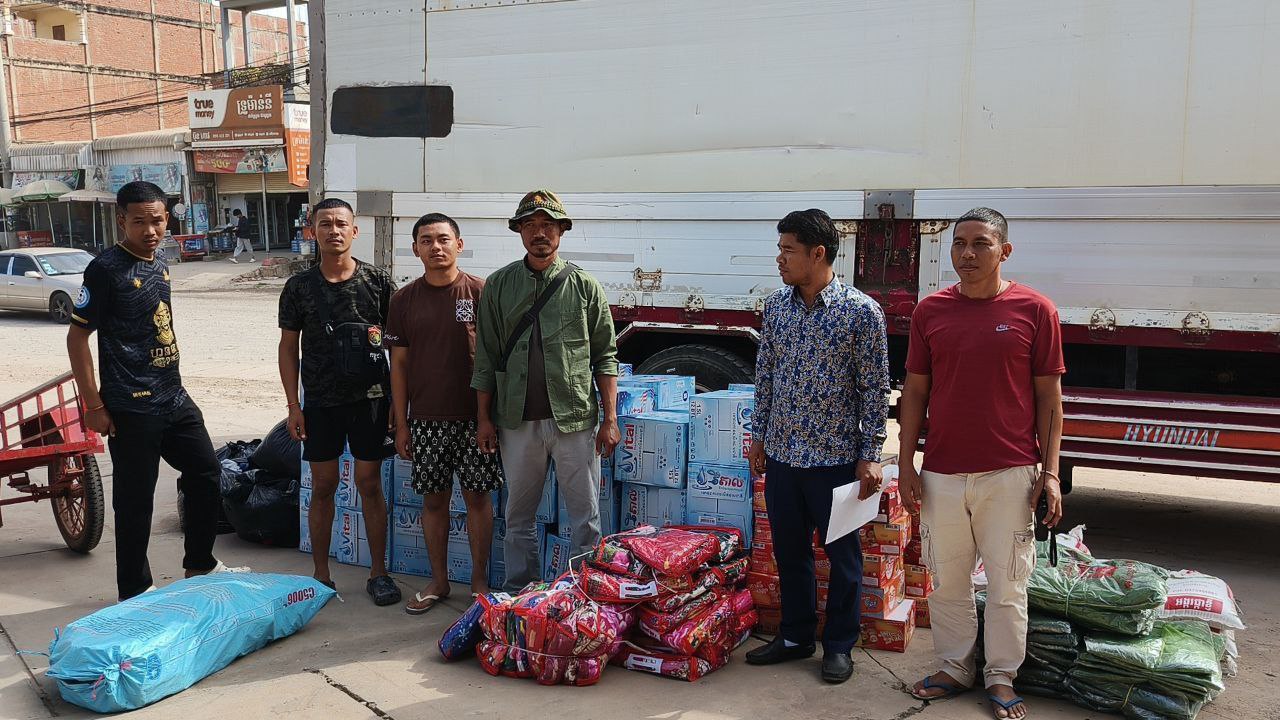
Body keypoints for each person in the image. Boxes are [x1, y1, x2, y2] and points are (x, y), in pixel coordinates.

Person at [898, 207, 1065, 720]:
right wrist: (906, 464)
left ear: (1004, 251)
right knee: (946, 580)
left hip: (1010, 473)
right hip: (942, 473)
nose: (967, 254)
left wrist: (1050, 473)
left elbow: (1050, 399)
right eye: (959, 244)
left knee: (1007, 583)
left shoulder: (1035, 310)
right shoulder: (931, 312)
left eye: (980, 244)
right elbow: (915, 392)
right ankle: (954, 667)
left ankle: (1000, 675)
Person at [67, 181, 235, 602]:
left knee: (205, 472)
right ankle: (135, 589)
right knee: (135, 500)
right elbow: (77, 337)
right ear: (121, 221)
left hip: (173, 396)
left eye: (157, 220)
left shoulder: (159, 259)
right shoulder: (105, 270)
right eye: (139, 222)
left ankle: (199, 564)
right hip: (131, 404)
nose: (150, 230)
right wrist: (94, 405)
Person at [745, 208, 890, 684]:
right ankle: (795, 636)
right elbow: (766, 375)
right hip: (784, 456)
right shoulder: (777, 307)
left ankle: (840, 646)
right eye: (780, 249)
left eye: (788, 250)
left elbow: (874, 389)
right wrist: (759, 436)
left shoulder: (861, 313)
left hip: (836, 460)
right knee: (790, 553)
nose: (780, 259)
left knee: (843, 557)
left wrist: (870, 454)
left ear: (818, 253)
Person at [471, 189, 619, 591]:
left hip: (575, 419)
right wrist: (484, 419)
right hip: (516, 421)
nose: (540, 232)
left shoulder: (584, 286)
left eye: (548, 225)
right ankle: (522, 591)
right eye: (531, 225)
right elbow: (486, 357)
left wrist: (610, 419)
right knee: (518, 516)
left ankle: (584, 594)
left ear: (561, 231)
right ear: (519, 232)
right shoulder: (499, 285)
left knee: (585, 516)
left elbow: (606, 356)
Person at [278, 197, 401, 605]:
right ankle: (321, 576)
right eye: (325, 224)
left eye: (341, 223)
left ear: (354, 230)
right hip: (320, 403)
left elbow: (397, 348)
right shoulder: (298, 287)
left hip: (371, 400)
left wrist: (398, 403)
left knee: (370, 484)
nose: (334, 230)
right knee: (324, 486)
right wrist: (293, 406)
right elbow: (288, 348)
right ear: (312, 231)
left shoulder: (378, 282)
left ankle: (379, 573)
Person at [388, 213, 504, 612]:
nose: (435, 247)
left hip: (475, 420)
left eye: (442, 239)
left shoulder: (481, 293)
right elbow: (399, 365)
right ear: (415, 249)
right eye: (426, 240)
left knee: (478, 499)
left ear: (459, 244)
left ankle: (478, 581)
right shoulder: (403, 300)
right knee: (434, 502)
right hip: (426, 420)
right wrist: (402, 423)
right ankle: (438, 581)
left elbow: (493, 360)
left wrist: (487, 418)